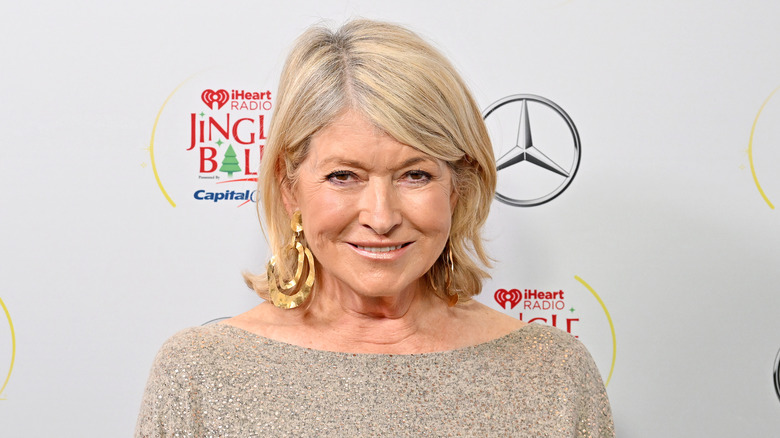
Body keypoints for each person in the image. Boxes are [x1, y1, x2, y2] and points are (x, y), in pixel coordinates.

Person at [136, 19, 614, 437]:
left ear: (458, 187)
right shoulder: (200, 377)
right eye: (344, 176)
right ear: (288, 187)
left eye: (415, 175)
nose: (381, 218)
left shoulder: (552, 375)